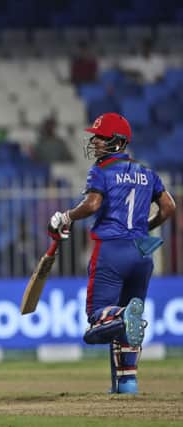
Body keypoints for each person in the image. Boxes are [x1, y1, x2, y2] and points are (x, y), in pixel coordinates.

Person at [47, 112, 176, 394]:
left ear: (117, 142)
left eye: (101, 138)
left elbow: (92, 204)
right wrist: (147, 226)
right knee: (130, 325)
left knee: (98, 318)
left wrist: (66, 217)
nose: (95, 142)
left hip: (112, 250)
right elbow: (169, 208)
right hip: (143, 251)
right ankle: (127, 383)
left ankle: (120, 315)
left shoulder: (101, 171)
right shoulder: (148, 173)